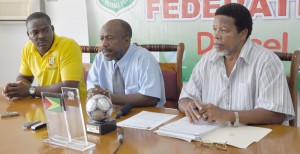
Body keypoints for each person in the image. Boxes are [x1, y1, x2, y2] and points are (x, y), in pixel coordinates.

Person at [178, 3, 295, 126]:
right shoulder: (207, 59)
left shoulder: (267, 61)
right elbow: (184, 98)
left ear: (242, 34)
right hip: (212, 137)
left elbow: (276, 114)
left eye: (223, 30)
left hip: (256, 139)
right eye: (214, 29)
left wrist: (229, 115)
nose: (216, 35)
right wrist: (189, 106)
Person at [2, 12, 87, 100]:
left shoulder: (68, 46)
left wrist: (29, 90)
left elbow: (69, 89)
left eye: (45, 30)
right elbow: (24, 77)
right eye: (35, 33)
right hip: (46, 103)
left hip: (74, 105)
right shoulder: (28, 48)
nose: (41, 36)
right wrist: (16, 89)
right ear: (28, 35)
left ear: (52, 29)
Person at [86, 19, 165, 108]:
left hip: (144, 115)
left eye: (110, 38)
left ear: (126, 41)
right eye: (102, 39)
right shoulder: (100, 58)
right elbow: (92, 86)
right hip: (110, 113)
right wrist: (93, 91)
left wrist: (108, 97)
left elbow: (150, 98)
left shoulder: (144, 58)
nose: (103, 44)